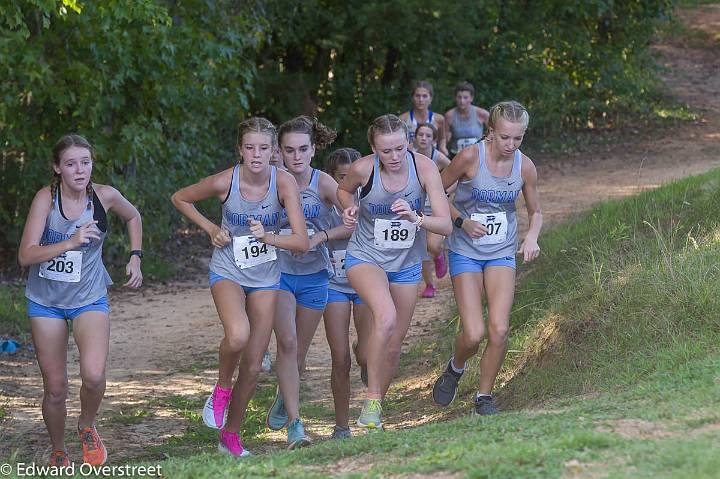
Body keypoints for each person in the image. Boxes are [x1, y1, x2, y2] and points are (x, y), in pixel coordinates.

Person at [171, 117, 309, 456]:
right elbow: (180, 198)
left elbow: (302, 241)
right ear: (240, 150)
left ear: (274, 152)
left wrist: (270, 237)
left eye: (264, 148)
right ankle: (221, 388)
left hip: (265, 277)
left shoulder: (284, 184)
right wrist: (209, 228)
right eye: (250, 148)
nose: (257, 155)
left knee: (252, 364)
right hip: (229, 270)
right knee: (237, 336)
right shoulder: (224, 182)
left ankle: (230, 437)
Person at [19, 134, 143, 466]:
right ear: (57, 168)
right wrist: (69, 242)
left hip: (88, 296)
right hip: (46, 301)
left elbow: (133, 216)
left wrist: (135, 256)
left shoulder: (105, 196)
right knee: (56, 387)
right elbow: (25, 255)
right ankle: (59, 450)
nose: (80, 170)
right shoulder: (46, 199)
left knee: (94, 375)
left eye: (85, 163)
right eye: (71, 164)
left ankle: (86, 425)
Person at [337, 114, 452, 430]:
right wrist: (349, 208)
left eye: (400, 148)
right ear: (374, 149)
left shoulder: (425, 169)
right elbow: (343, 191)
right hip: (365, 257)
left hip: (406, 264)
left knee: (393, 342)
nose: (394, 157)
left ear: (409, 143)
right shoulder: (363, 169)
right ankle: (371, 398)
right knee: (385, 318)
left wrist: (416, 218)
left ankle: (375, 406)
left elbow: (445, 223)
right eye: (386, 151)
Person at [431, 101, 542, 415]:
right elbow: (435, 191)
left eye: (517, 138)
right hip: (466, 249)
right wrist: (461, 222)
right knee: (474, 333)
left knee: (499, 329)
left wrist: (531, 236)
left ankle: (484, 397)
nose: (510, 145)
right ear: (491, 131)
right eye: (505, 137)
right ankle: (456, 367)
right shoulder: (470, 157)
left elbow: (536, 212)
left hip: (501, 251)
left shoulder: (525, 166)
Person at [265, 116, 349, 448]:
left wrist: (320, 238)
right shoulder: (270, 182)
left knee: (297, 354)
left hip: (315, 276)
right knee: (286, 343)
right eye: (289, 150)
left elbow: (353, 223)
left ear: (314, 149)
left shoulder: (325, 183)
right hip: (278, 274)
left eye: (303, 149)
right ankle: (296, 426)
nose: (296, 156)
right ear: (279, 152)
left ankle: (285, 396)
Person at [321, 147, 371, 439]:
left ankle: (365, 358)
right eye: (342, 177)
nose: (350, 185)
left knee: (366, 353)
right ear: (332, 178)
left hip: (366, 282)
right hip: (334, 283)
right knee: (340, 358)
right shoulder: (323, 205)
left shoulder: (372, 201)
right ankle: (342, 426)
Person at [412, 123, 451, 298]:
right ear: (415, 137)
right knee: (421, 250)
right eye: (421, 135)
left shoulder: (438, 157)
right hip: (415, 211)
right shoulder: (407, 156)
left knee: (432, 245)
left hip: (435, 209)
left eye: (428, 136)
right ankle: (429, 285)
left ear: (434, 140)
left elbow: (456, 173)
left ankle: (439, 254)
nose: (424, 138)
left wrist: (447, 191)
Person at [399, 81, 447, 155]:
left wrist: (443, 148)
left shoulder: (439, 119)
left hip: (432, 159)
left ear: (430, 98)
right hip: (410, 158)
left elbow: (442, 138)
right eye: (417, 96)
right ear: (412, 98)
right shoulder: (403, 119)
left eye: (424, 96)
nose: (421, 100)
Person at [444, 82, 489, 157]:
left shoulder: (482, 113)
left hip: (477, 155)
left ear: (471, 98)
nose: (462, 101)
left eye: (465, 97)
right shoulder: (449, 115)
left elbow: (493, 134)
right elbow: (444, 139)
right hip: (456, 155)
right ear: (455, 98)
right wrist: (443, 149)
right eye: (459, 97)